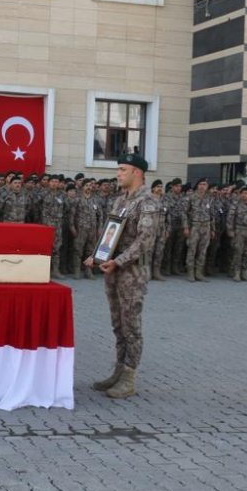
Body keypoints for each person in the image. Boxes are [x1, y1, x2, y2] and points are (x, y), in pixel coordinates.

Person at [84, 153, 157, 400]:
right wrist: (97, 255)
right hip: (113, 270)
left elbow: (145, 240)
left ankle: (129, 376)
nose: (118, 174)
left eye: (123, 169)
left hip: (132, 272)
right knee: (118, 324)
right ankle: (118, 369)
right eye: (119, 169)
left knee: (131, 325)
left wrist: (119, 261)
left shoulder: (147, 202)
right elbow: (109, 233)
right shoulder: (120, 201)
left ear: (137, 172)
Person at [226, 185, 247, 282]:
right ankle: (236, 272)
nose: (245, 195)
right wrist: (230, 231)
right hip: (239, 230)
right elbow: (230, 219)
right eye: (243, 193)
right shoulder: (235, 205)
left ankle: (245, 272)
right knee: (238, 252)